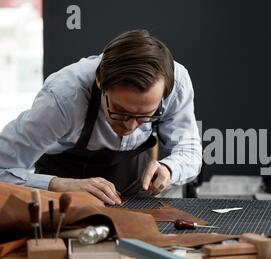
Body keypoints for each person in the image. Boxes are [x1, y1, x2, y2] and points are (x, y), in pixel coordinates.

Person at [0, 30, 202, 205]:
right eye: (120, 111)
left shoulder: (177, 83)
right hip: (64, 194)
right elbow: (3, 169)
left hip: (133, 194)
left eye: (144, 115)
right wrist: (58, 184)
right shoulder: (63, 98)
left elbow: (189, 150)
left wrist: (169, 168)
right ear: (100, 82)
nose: (130, 125)